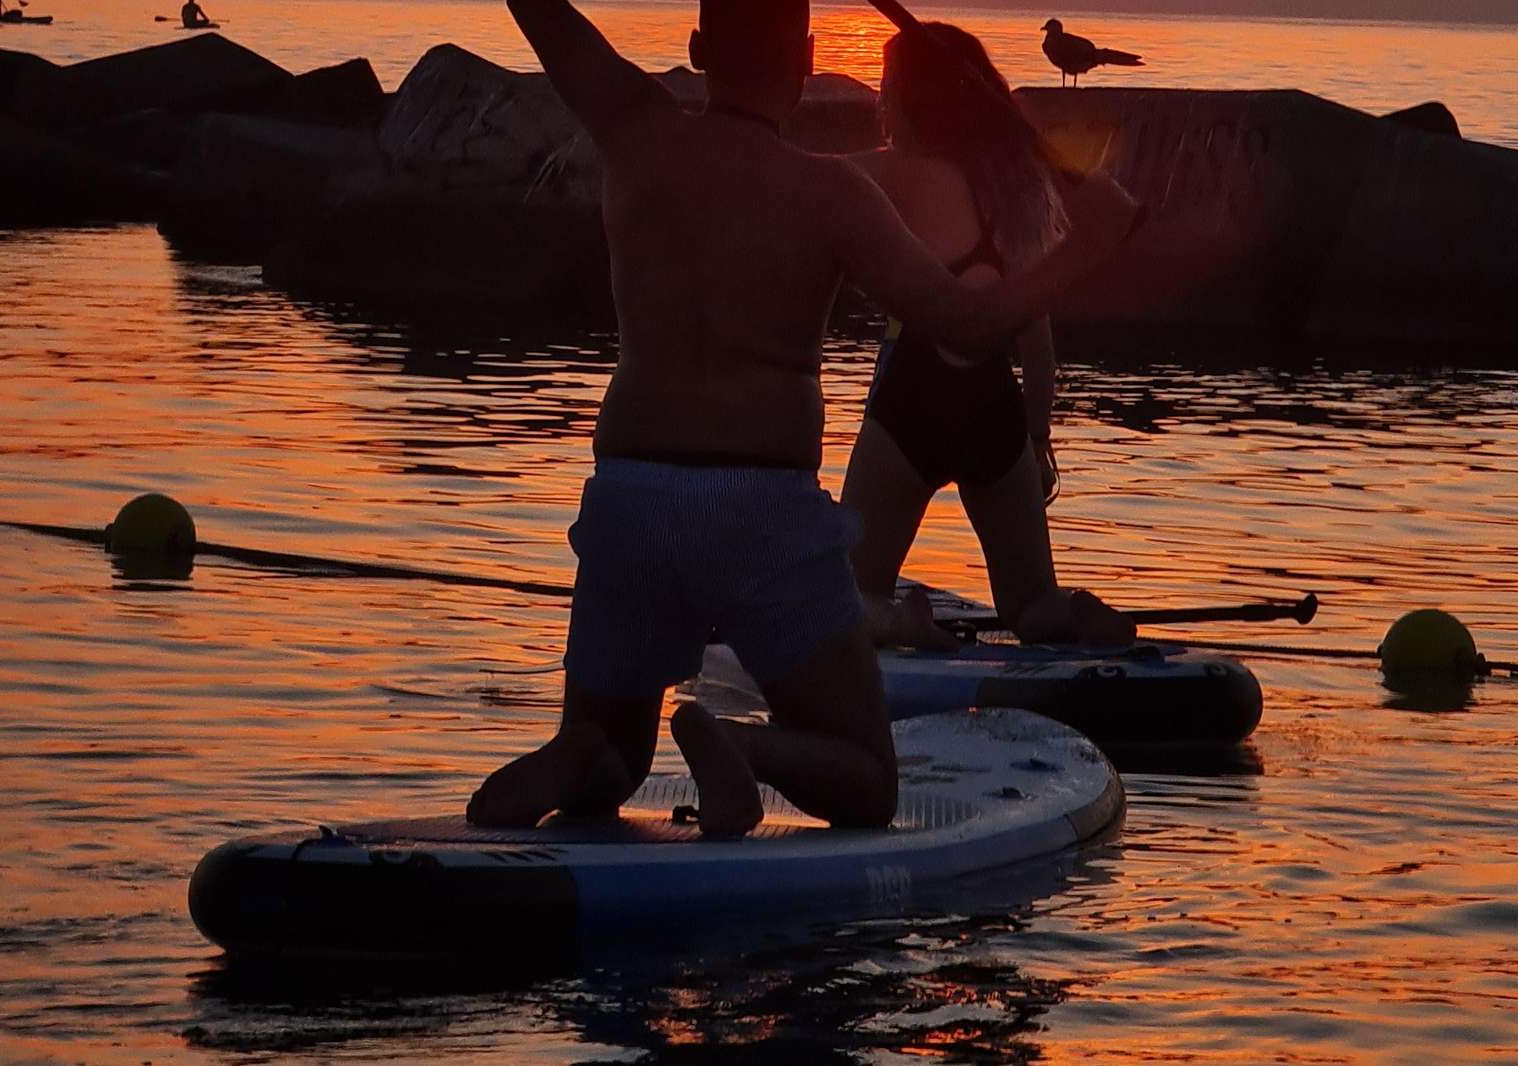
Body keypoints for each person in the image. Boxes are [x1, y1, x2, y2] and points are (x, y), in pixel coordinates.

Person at [464, 0, 1140, 838]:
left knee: (612, 760)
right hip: (764, 513)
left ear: (698, 47)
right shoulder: (831, 192)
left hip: (630, 499)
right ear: (810, 56)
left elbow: (546, 18)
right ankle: (744, 753)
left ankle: (576, 753)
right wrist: (1093, 241)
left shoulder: (633, 126)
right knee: (866, 780)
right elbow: (968, 326)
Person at [843, 22, 1136, 651]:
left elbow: (802, 184)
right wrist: (1036, 440)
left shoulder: (898, 175)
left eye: (888, 88)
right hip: (994, 409)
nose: (881, 102)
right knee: (1031, 603)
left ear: (909, 100)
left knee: (848, 595)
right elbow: (1038, 341)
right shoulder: (1017, 189)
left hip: (911, 403)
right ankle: (1074, 615)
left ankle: (903, 624)